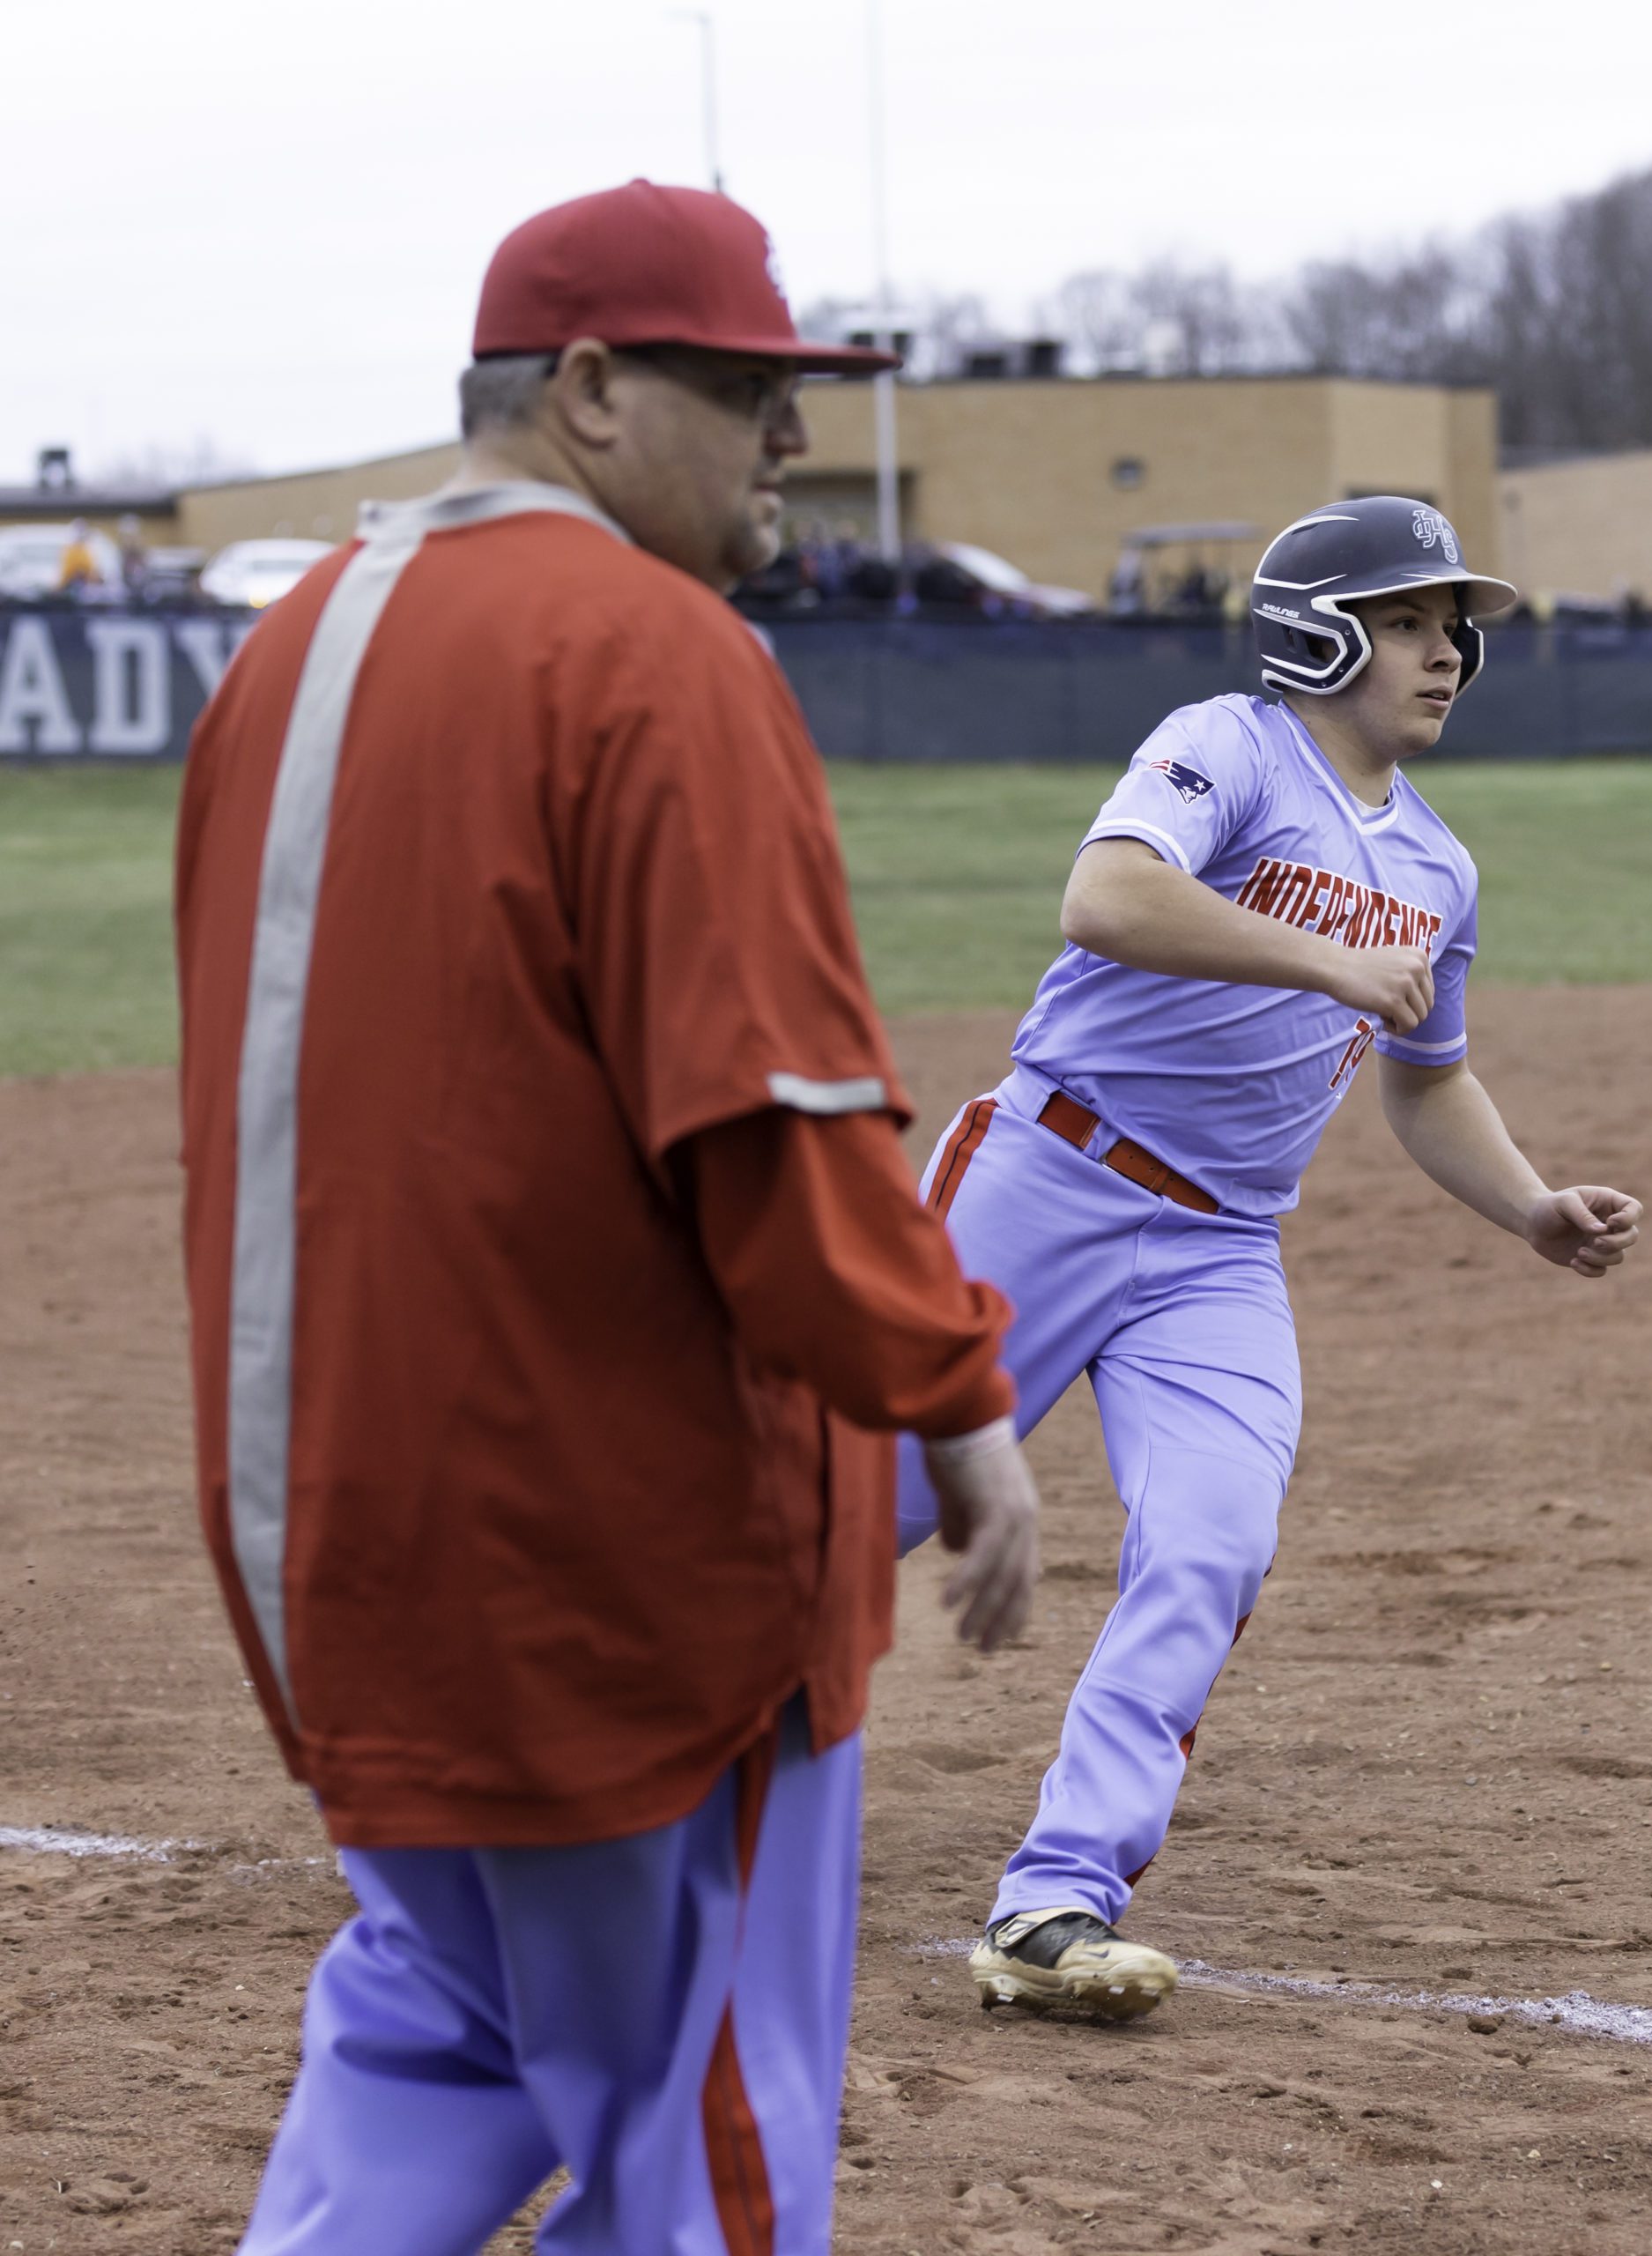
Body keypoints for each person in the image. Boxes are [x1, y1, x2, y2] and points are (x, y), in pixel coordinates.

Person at [175, 178, 1041, 2254]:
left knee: (439, 2033)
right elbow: (777, 1138)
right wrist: (959, 1400)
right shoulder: (652, 649)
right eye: (743, 389)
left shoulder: (286, 651)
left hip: (337, 1543)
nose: (787, 442)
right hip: (616, 1559)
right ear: (583, 391)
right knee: (706, 2124)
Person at [898, 496, 1644, 2020]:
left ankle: (1055, 1904)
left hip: (1219, 1253)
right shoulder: (1231, 746)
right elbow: (1104, 897)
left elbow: (1426, 1080)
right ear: (1322, 633)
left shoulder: (1437, 867)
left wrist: (1532, 1208)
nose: (1451, 651)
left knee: (1213, 1547)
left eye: (1458, 627)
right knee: (857, 1511)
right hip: (1045, 1177)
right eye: (1415, 621)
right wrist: (1322, 956)